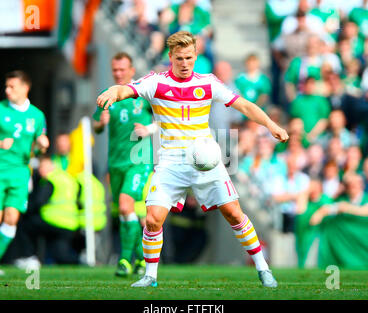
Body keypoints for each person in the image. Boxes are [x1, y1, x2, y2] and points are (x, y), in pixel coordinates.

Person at [97, 31, 289, 288]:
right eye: (179, 58)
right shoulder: (156, 82)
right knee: (153, 217)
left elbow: (243, 105)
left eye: (189, 57)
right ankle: (150, 277)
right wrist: (113, 91)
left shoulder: (208, 82)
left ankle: (263, 269)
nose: (185, 63)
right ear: (170, 57)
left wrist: (270, 124)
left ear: (196, 56)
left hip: (205, 159)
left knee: (234, 213)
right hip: (170, 161)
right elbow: (126, 89)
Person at [93, 52, 155, 277]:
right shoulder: (107, 96)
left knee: (126, 206)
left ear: (131, 70)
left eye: (122, 69)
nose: (118, 74)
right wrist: (100, 123)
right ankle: (140, 258)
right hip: (116, 162)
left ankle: (123, 260)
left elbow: (167, 120)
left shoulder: (144, 95)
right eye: (115, 70)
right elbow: (96, 126)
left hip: (139, 161)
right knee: (124, 212)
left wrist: (149, 130)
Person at [0, 70, 49, 271]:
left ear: (25, 88)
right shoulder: (1, 109)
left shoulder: (37, 115)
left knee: (12, 218)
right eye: (6, 86)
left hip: (20, 173)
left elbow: (37, 147)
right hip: (1, 170)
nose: (7, 90)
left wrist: (42, 145)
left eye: (12, 86)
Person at [13, 155, 80, 265]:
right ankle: (80, 261)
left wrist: (23, 207)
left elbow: (38, 202)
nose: (40, 170)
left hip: (54, 221)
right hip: (70, 223)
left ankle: (29, 257)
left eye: (42, 167)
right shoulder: (67, 178)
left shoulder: (50, 180)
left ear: (51, 167)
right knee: (61, 256)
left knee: (25, 225)